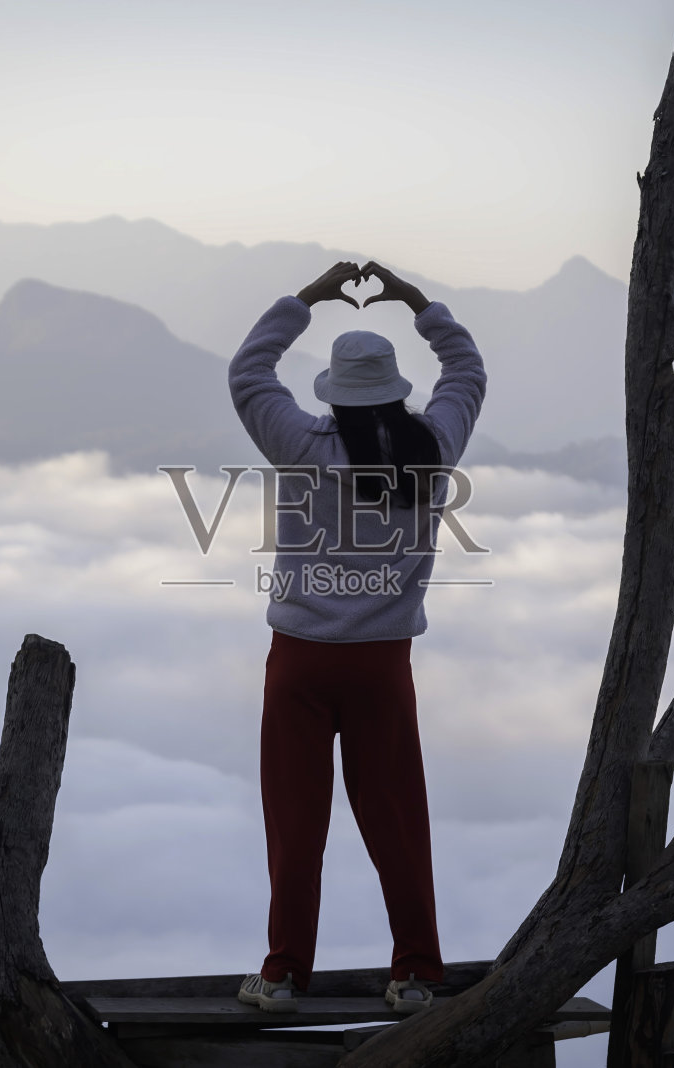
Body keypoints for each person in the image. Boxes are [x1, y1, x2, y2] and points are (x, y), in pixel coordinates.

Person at [227, 260, 486, 1015]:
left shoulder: (303, 446)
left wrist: (309, 297)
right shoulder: (433, 451)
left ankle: (282, 976)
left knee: (295, 824)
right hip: (383, 668)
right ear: (396, 392)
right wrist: (417, 303)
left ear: (334, 394)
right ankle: (416, 976)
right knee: (398, 821)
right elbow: (466, 369)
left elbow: (249, 371)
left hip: (299, 666)